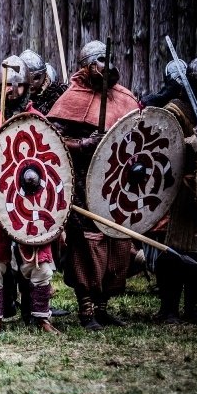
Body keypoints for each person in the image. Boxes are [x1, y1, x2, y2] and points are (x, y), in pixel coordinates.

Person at [47, 40, 138, 331]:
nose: (105, 68)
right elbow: (52, 139)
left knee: (117, 243)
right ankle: (86, 309)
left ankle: (103, 307)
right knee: (87, 245)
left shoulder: (123, 98)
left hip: (117, 186)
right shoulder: (73, 98)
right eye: (99, 61)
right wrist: (83, 144)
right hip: (84, 186)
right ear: (87, 66)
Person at [0, 55, 60, 335]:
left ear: (26, 87)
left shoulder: (36, 119)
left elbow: (50, 159)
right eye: (6, 85)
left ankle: (42, 317)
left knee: (37, 259)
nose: (12, 91)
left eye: (18, 86)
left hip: (29, 201)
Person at [141, 58, 197, 323]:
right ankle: (168, 309)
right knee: (173, 252)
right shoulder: (174, 109)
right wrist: (193, 140)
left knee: (195, 251)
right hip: (176, 188)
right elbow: (162, 148)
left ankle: (191, 307)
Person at [20, 49, 68, 115]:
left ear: (44, 75)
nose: (31, 83)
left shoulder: (56, 97)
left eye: (36, 78)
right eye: (27, 78)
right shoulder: (15, 98)